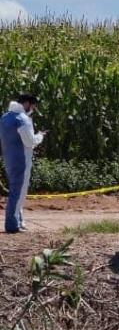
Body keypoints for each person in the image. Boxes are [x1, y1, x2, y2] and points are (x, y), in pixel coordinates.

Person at [1, 93, 45, 233]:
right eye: (32, 106)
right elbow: (29, 141)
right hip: (22, 160)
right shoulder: (22, 119)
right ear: (27, 103)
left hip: (9, 158)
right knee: (18, 192)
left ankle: (18, 220)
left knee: (15, 190)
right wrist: (40, 136)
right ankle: (12, 225)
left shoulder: (5, 117)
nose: (32, 109)